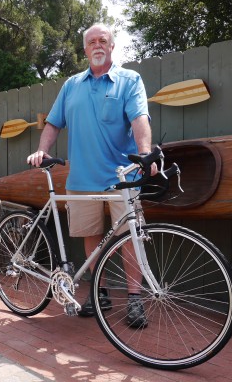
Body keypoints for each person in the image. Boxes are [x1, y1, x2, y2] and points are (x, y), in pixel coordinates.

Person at [27, 23, 156, 328]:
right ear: (84, 49)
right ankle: (100, 293)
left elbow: (140, 119)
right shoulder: (71, 85)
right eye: (91, 42)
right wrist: (42, 150)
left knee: (129, 239)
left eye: (103, 40)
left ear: (112, 46)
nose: (97, 45)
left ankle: (135, 298)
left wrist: (146, 150)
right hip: (81, 179)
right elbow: (53, 123)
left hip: (122, 178)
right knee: (91, 238)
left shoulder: (129, 80)